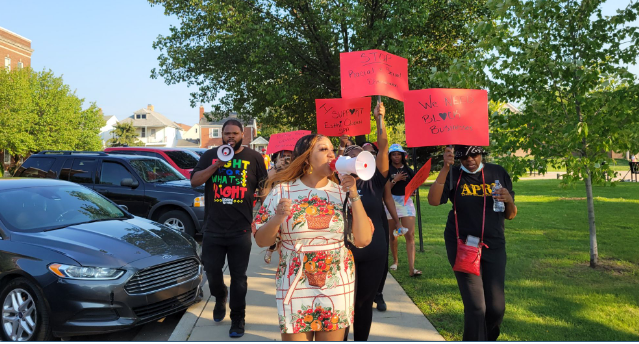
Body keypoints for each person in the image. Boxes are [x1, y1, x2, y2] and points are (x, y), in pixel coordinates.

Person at [253, 134, 373, 341]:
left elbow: (363, 240)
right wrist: (278, 218)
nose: (331, 154)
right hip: (294, 281)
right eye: (323, 150)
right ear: (306, 158)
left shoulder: (342, 192)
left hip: (336, 282)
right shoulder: (283, 190)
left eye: (332, 150)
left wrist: (353, 194)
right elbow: (262, 241)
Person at [427, 145, 517, 341]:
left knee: (496, 308)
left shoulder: (497, 172)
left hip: (494, 245)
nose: (470, 160)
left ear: (481, 153)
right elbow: (433, 201)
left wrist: (509, 200)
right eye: (464, 156)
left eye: (474, 154)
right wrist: (445, 168)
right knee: (476, 307)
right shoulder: (453, 173)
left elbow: (510, 215)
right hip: (463, 245)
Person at [190, 119, 268, 338]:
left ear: (243, 134)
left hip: (240, 229)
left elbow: (264, 187)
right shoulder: (209, 156)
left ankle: (238, 318)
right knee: (212, 272)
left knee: (239, 277)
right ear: (222, 135)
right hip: (213, 228)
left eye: (235, 133)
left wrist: (265, 207)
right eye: (227, 133)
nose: (230, 137)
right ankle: (220, 295)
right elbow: (194, 181)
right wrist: (216, 164)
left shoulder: (254, 157)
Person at [339, 102, 399, 340]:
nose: (357, 157)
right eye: (350, 154)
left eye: (361, 155)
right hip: (344, 252)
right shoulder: (334, 182)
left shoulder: (375, 179)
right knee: (344, 305)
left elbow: (383, 147)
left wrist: (380, 119)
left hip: (373, 251)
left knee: (364, 303)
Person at [361, 141, 402, 312]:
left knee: (381, 261)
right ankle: (362, 295)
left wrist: (397, 220)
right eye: (363, 152)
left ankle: (378, 292)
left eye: (371, 153)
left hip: (378, 222)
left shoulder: (379, 176)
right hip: (355, 224)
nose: (367, 155)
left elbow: (388, 198)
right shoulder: (347, 175)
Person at [385, 144, 421, 276]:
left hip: (405, 202)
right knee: (393, 234)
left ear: (402, 156)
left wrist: (414, 191)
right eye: (394, 154)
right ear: (390, 156)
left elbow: (415, 183)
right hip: (390, 202)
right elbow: (384, 189)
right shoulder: (386, 169)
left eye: (398, 154)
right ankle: (395, 261)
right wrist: (395, 179)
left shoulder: (408, 169)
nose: (396, 157)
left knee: (410, 235)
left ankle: (412, 268)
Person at [264, 149, 294, 264]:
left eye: (288, 156)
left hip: (291, 201)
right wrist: (277, 167)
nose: (286, 158)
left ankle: (281, 253)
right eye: (284, 156)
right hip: (276, 202)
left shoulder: (295, 170)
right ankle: (271, 248)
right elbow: (266, 182)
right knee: (276, 228)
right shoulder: (274, 169)